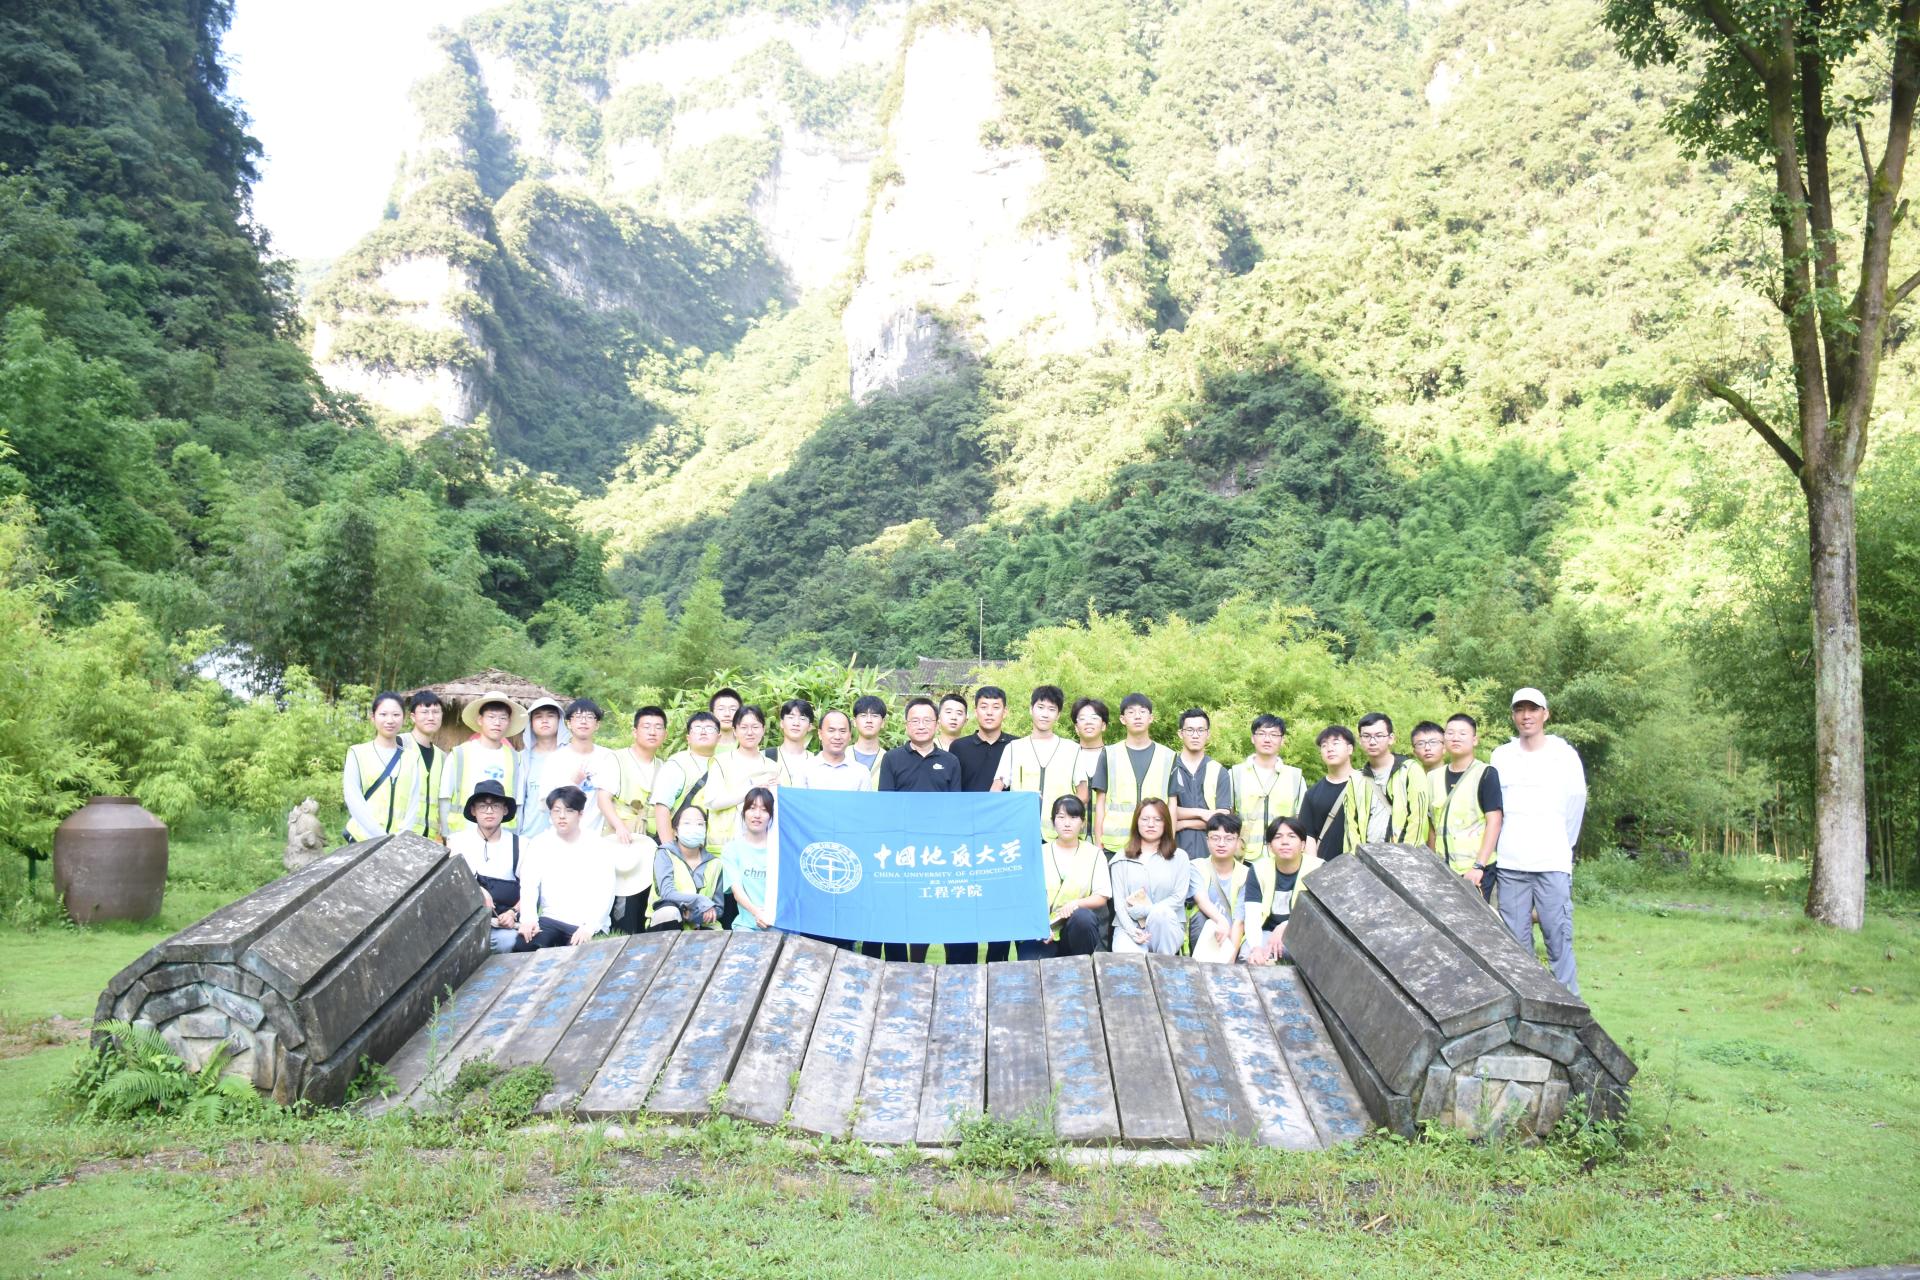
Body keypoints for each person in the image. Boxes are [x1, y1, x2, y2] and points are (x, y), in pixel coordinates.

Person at [1489, 688, 1587, 993]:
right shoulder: (1501, 756)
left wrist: (1561, 847)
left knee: (1558, 938)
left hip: (1552, 862)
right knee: (1516, 946)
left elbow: (1575, 805)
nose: (1526, 716)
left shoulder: (1564, 755)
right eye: (1520, 710)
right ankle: (1528, 1005)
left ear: (1545, 714)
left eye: (1533, 709)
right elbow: (1496, 807)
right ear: (1513, 715)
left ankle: (1570, 1006)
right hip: (1510, 863)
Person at [874, 696, 959, 962]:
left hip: (939, 851)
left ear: (936, 724)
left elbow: (955, 808)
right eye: (915, 720)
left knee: (939, 911)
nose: (921, 725)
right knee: (907, 912)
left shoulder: (950, 761)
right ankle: (911, 967)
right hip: (904, 850)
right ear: (906, 724)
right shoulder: (892, 759)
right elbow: (886, 806)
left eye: (927, 720)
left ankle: (951, 967)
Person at [514, 786, 615, 950]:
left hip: (585, 922)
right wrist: (529, 919)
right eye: (556, 811)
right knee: (524, 946)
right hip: (551, 918)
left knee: (577, 955)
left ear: (580, 814)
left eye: (569, 811)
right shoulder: (539, 843)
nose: (562, 816)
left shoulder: (598, 845)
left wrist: (590, 927)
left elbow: (606, 890)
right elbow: (529, 885)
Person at [1018, 795, 1109, 960]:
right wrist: (1040, 926)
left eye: (1073, 817)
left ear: (1083, 823)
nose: (1067, 823)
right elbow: (1026, 895)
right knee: (1031, 963)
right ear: (1053, 822)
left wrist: (1076, 904)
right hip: (1044, 931)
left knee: (1084, 918)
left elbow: (1101, 896)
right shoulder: (1038, 853)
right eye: (1061, 817)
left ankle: (1081, 967)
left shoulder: (1094, 854)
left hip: (1074, 929)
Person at [1428, 712, 1504, 901]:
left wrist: (1479, 866)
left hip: (1475, 870)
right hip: (1443, 869)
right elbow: (1432, 826)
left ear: (1474, 740)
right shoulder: (1433, 777)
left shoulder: (1485, 773)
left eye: (1462, 733)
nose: (1455, 737)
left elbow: (1494, 821)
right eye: (1450, 733)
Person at [1090, 693, 1174, 854]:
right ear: (1123, 719)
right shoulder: (1109, 754)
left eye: (1142, 711)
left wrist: (1170, 843)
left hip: (1156, 845)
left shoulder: (1168, 756)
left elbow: (1172, 804)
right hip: (1114, 846)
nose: (1137, 716)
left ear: (1151, 718)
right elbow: (1100, 802)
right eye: (1131, 712)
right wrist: (1098, 842)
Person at [993, 685, 1079, 839]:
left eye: (1051, 709)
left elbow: (1083, 794)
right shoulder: (1014, 748)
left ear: (1058, 715)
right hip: (1019, 831)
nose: (1045, 714)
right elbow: (995, 790)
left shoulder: (1072, 749)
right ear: (1031, 709)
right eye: (1040, 707)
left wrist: (1067, 816)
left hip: (1059, 835)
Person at [539, 699, 631, 843]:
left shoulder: (607, 757)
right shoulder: (555, 759)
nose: (583, 721)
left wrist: (619, 826)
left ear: (597, 724)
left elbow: (608, 799)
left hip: (597, 838)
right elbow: (544, 803)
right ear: (569, 723)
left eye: (589, 717)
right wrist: (571, 783)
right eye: (578, 717)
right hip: (562, 837)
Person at [447, 780, 523, 953]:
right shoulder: (456, 842)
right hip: (461, 924)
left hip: (502, 927)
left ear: (505, 810)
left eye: (495, 805)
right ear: (473, 810)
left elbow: (530, 890)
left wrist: (512, 912)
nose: (489, 811)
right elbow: (449, 883)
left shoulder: (521, 845)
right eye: (483, 806)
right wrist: (478, 890)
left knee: (509, 941)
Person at [610, 706, 668, 934]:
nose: (652, 732)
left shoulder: (663, 765)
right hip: (623, 835)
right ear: (635, 731)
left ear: (665, 734)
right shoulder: (617, 758)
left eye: (658, 727)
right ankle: (620, 935)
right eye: (646, 726)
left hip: (651, 838)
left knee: (646, 890)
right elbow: (604, 798)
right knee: (623, 891)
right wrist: (618, 827)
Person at [439, 691, 526, 840]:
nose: (497, 723)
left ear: (509, 722)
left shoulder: (515, 758)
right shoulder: (459, 754)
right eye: (491, 717)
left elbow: (518, 803)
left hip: (502, 838)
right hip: (463, 836)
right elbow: (444, 797)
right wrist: (446, 835)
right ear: (480, 720)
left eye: (503, 718)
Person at [652, 711, 741, 853]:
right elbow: (662, 807)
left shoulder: (725, 764)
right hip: (681, 845)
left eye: (710, 728)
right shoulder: (677, 764)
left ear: (719, 737)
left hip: (714, 849)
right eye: (697, 728)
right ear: (688, 738)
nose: (703, 732)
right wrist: (670, 851)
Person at [1106, 799, 1187, 954]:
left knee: (1161, 913)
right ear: (1136, 822)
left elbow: (1178, 898)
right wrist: (1132, 932)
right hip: (1130, 927)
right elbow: (1119, 904)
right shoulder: (1121, 858)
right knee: (1129, 963)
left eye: (1157, 819)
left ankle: (1164, 965)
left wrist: (1146, 910)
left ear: (1166, 823)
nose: (1151, 824)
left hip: (1166, 927)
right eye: (1145, 819)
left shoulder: (1180, 857)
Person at [343, 691, 424, 843]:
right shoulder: (357, 753)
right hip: (362, 839)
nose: (390, 720)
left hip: (398, 842)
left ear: (404, 718)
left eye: (396, 714)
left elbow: (414, 802)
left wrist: (401, 837)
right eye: (383, 714)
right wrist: (379, 836)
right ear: (373, 718)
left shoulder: (412, 758)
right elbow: (353, 798)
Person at [1242, 816, 1323, 965]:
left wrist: (1284, 926)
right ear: (1270, 847)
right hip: (1267, 933)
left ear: (1303, 845)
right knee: (1247, 955)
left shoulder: (1318, 868)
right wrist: (1256, 948)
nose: (1285, 841)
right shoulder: (1258, 869)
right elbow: (1252, 914)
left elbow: (1320, 914)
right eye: (1278, 837)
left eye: (1292, 836)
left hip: (1305, 933)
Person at [1231, 714, 1307, 850]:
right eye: (1261, 733)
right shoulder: (1235, 774)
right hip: (1245, 854)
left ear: (1282, 740)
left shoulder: (1295, 777)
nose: (1267, 739)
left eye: (1274, 734)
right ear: (1252, 738)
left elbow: (1302, 820)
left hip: (1284, 854)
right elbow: (1227, 817)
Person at [1166, 708, 1234, 860]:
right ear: (1180, 733)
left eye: (1200, 730)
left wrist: (1183, 823)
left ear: (1208, 734)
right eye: (1190, 730)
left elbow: (1223, 819)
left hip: (1210, 855)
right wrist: (1202, 813)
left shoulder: (1219, 771)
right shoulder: (1169, 768)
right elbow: (1163, 812)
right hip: (1173, 853)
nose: (1195, 735)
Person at [1296, 725, 1370, 860]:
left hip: (1363, 864)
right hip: (1327, 866)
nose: (1329, 749)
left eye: (1336, 743)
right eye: (1324, 745)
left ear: (1350, 749)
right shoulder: (1312, 794)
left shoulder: (1367, 785)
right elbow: (1308, 836)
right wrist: (1315, 866)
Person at [1356, 712, 1429, 844]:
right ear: (1360, 740)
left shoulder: (1410, 770)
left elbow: (1417, 820)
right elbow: (1351, 825)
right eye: (1366, 736)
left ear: (1391, 738)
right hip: (1366, 852)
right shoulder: (1357, 778)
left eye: (1379, 736)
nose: (1372, 741)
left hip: (1401, 852)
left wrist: (1405, 853)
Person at [650, 805, 724, 930]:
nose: (694, 828)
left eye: (699, 824)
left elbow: (719, 908)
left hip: (704, 928)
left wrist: (692, 916)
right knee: (669, 912)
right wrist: (700, 900)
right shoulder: (665, 854)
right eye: (687, 823)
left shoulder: (715, 863)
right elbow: (667, 893)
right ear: (675, 831)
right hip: (667, 925)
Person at [1188, 813, 1250, 961]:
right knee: (1201, 918)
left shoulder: (1247, 875)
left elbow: (1239, 921)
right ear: (1207, 840)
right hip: (1206, 932)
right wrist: (1221, 921)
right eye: (1215, 838)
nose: (1221, 844)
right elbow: (1202, 900)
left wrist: (1230, 961)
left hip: (1232, 937)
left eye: (1228, 839)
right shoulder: (1196, 866)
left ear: (1238, 842)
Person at [723, 788, 777, 932]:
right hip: (746, 926)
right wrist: (757, 913)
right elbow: (737, 891)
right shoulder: (731, 849)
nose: (757, 815)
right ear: (744, 812)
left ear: (771, 815)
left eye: (764, 810)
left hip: (779, 924)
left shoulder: (781, 848)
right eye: (752, 808)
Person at [517, 697, 566, 839]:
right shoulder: (521, 759)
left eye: (550, 716)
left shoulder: (571, 755)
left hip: (566, 839)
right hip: (529, 836)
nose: (545, 720)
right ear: (531, 723)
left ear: (559, 720)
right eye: (538, 717)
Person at [404, 690, 447, 840]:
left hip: (428, 839)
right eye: (425, 712)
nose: (431, 717)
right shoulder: (399, 745)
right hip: (398, 834)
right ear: (413, 717)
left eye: (436, 712)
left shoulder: (442, 757)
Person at [950, 686, 1011, 791]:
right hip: (968, 802)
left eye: (996, 707)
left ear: (1005, 712)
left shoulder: (1015, 745)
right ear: (976, 712)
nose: (989, 713)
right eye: (984, 707)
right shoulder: (959, 747)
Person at [802, 710, 876, 790]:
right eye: (831, 730)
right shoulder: (804, 770)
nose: (837, 737)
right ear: (820, 734)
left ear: (850, 735)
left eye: (842, 731)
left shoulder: (861, 773)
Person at [1069, 696, 1110, 807]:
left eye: (1094, 718)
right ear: (1076, 728)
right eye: (1082, 719)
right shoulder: (1068, 756)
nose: (1088, 722)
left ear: (1103, 726)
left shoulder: (1113, 756)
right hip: (1074, 817)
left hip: (1106, 818)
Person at [771, 698, 816, 786]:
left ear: (810, 727)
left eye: (802, 718)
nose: (796, 723)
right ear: (781, 723)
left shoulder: (816, 761)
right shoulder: (766, 756)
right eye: (791, 717)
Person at [850, 695, 888, 772]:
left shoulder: (889, 759)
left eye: (875, 716)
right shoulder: (842, 755)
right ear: (854, 721)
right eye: (863, 715)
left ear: (883, 722)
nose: (869, 720)